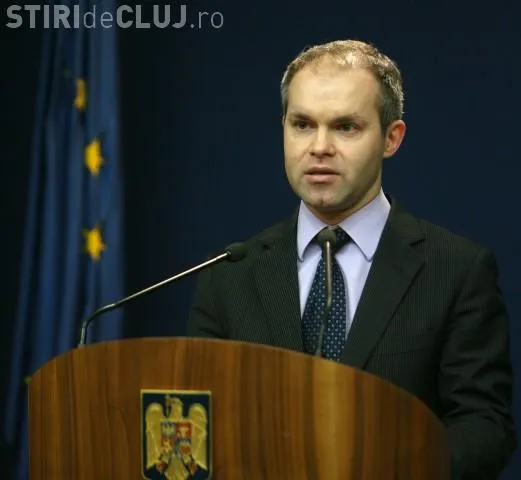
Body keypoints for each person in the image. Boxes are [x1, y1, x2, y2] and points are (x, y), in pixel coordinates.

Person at [186, 39, 517, 479]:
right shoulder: (228, 275)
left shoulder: (456, 270)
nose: (319, 146)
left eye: (345, 127)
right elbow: (198, 418)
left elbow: (483, 426)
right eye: (303, 124)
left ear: (391, 138)